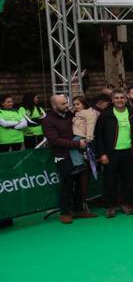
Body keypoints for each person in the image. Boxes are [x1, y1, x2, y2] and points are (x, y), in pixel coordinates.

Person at [40, 94, 95, 223]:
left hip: (80, 154)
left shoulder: (72, 115)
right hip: (63, 156)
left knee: (81, 184)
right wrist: (77, 144)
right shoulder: (48, 120)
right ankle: (65, 212)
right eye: (63, 104)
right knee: (67, 185)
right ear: (54, 106)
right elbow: (54, 140)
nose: (67, 106)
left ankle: (79, 209)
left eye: (66, 103)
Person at [94, 90, 133, 217]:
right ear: (112, 100)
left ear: (126, 99)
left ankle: (126, 204)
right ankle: (110, 206)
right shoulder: (105, 115)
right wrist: (102, 154)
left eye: (122, 98)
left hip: (128, 152)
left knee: (128, 180)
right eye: (117, 98)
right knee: (110, 180)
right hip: (110, 153)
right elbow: (99, 136)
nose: (119, 100)